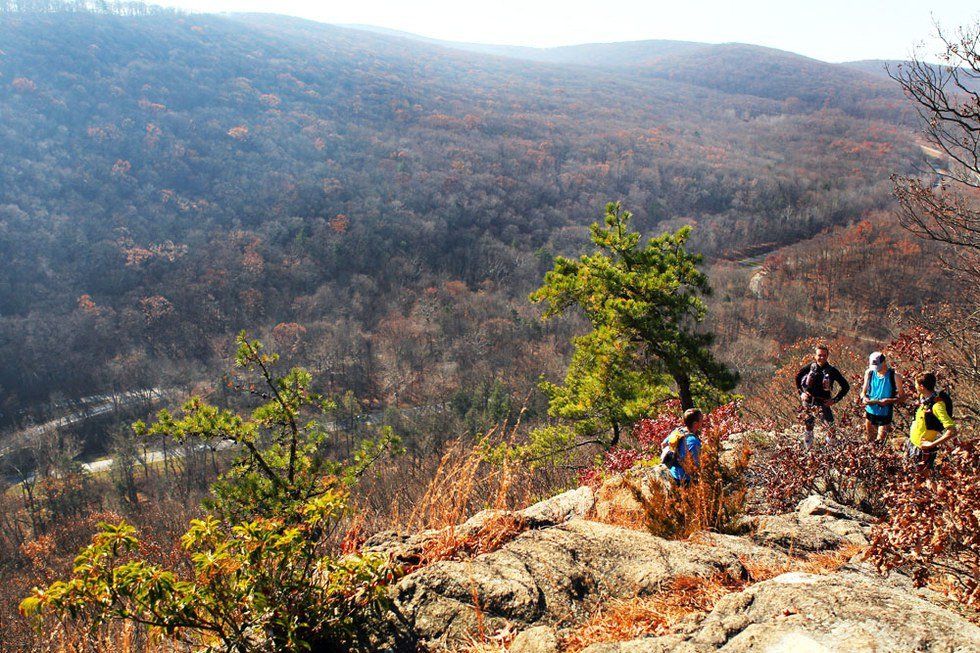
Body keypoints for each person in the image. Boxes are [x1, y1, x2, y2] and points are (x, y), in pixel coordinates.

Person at [795, 344, 850, 447]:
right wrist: (801, 393)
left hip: (824, 402)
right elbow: (797, 377)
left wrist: (834, 400)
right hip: (809, 401)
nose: (822, 357)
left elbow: (845, 386)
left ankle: (830, 450)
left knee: (831, 428)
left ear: (827, 356)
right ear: (815, 356)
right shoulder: (810, 367)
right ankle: (809, 450)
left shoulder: (832, 370)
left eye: (824, 355)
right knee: (809, 426)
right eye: (819, 355)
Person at [907, 372, 956, 469]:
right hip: (912, 444)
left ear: (921, 386)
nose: (915, 386)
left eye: (916, 384)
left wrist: (932, 444)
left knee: (921, 481)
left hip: (922, 451)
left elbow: (952, 431)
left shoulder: (937, 406)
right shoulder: (924, 398)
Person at [860, 351, 903, 443]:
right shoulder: (869, 373)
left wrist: (889, 401)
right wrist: (864, 398)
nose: (876, 369)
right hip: (870, 411)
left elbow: (903, 397)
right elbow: (863, 392)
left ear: (884, 362)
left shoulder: (895, 376)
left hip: (885, 414)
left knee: (879, 443)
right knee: (870, 440)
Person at [661, 408, 703, 485]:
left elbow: (663, 444)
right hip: (686, 479)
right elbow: (696, 464)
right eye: (701, 420)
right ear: (695, 424)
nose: (702, 422)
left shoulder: (678, 431)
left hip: (673, 473)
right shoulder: (693, 441)